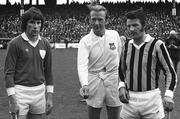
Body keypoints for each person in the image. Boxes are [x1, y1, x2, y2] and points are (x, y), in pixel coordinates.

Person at [118, 8, 177, 119]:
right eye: (129, 26)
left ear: (144, 26)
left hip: (151, 100)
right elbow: (121, 70)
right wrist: (121, 87)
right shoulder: (126, 46)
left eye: (135, 25)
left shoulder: (157, 45)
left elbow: (170, 72)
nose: (131, 29)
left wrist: (169, 95)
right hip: (129, 100)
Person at [4, 7, 54, 119]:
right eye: (32, 22)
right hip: (20, 92)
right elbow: (9, 74)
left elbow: (49, 72)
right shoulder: (14, 44)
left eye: (38, 22)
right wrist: (12, 101)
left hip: (39, 92)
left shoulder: (45, 44)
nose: (36, 26)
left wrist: (49, 97)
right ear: (25, 24)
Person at [77, 3, 122, 119]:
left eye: (100, 19)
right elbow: (82, 65)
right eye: (93, 19)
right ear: (89, 20)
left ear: (106, 20)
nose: (96, 23)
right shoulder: (85, 41)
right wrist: (85, 84)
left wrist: (122, 82)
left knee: (115, 115)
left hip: (113, 79)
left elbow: (120, 57)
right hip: (94, 80)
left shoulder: (114, 35)